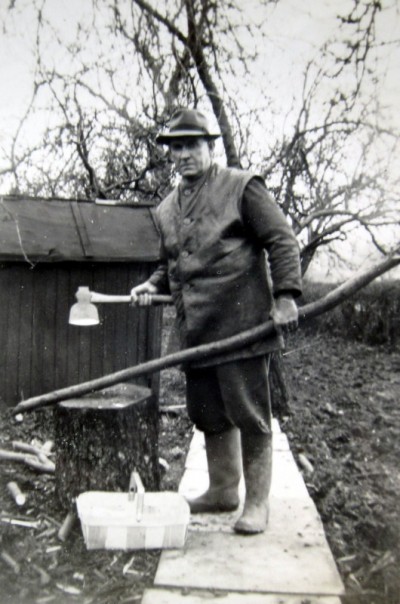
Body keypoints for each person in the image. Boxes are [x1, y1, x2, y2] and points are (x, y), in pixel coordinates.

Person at [131, 108, 302, 534]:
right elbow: (169, 263)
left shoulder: (242, 187)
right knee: (207, 411)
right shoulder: (167, 208)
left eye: (192, 145)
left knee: (249, 411)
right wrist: (152, 285)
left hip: (242, 324)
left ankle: (257, 504)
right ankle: (223, 490)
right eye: (176, 147)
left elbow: (281, 239)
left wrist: (285, 296)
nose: (184, 154)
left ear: (210, 147)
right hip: (195, 330)